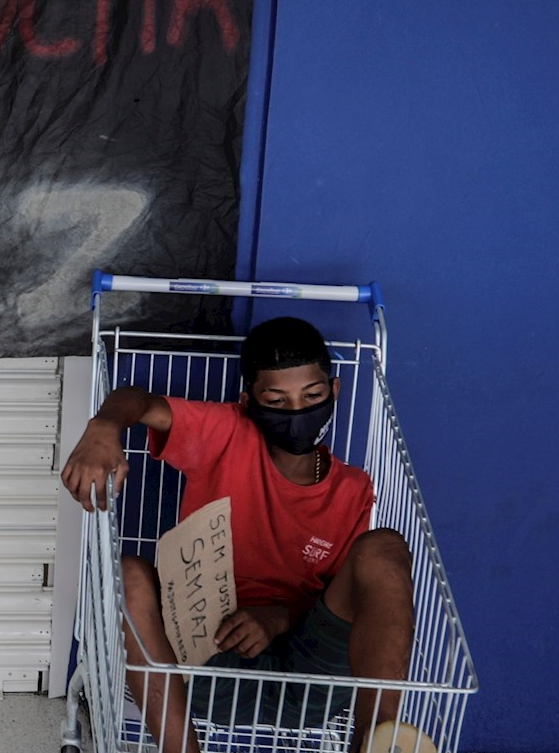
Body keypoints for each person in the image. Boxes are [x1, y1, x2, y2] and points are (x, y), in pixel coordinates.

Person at [60, 316, 431, 753]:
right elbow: (137, 402)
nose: (296, 412)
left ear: (335, 391)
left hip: (309, 676)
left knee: (383, 547)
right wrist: (103, 428)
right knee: (129, 573)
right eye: (276, 400)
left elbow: (342, 607)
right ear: (249, 401)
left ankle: (379, 742)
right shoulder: (228, 433)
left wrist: (277, 618)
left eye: (312, 396)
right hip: (202, 660)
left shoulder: (352, 490)